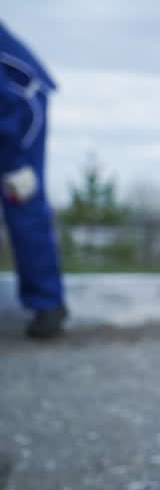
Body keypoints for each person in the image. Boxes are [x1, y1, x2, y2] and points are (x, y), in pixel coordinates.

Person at [1, 21, 68, 340]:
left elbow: (4, 102)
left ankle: (47, 304)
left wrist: (14, 162)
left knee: (21, 194)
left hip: (18, 104)